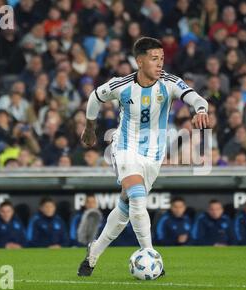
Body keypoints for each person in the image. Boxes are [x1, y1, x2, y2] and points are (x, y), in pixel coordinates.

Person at [77, 37, 209, 277]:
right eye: (154, 59)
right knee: (138, 198)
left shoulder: (169, 83)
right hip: (125, 147)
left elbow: (195, 97)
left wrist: (200, 109)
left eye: (162, 59)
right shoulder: (122, 85)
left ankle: (94, 251)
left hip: (154, 156)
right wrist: (89, 127)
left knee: (126, 207)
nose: (160, 64)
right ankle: (149, 254)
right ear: (140, 61)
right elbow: (95, 97)